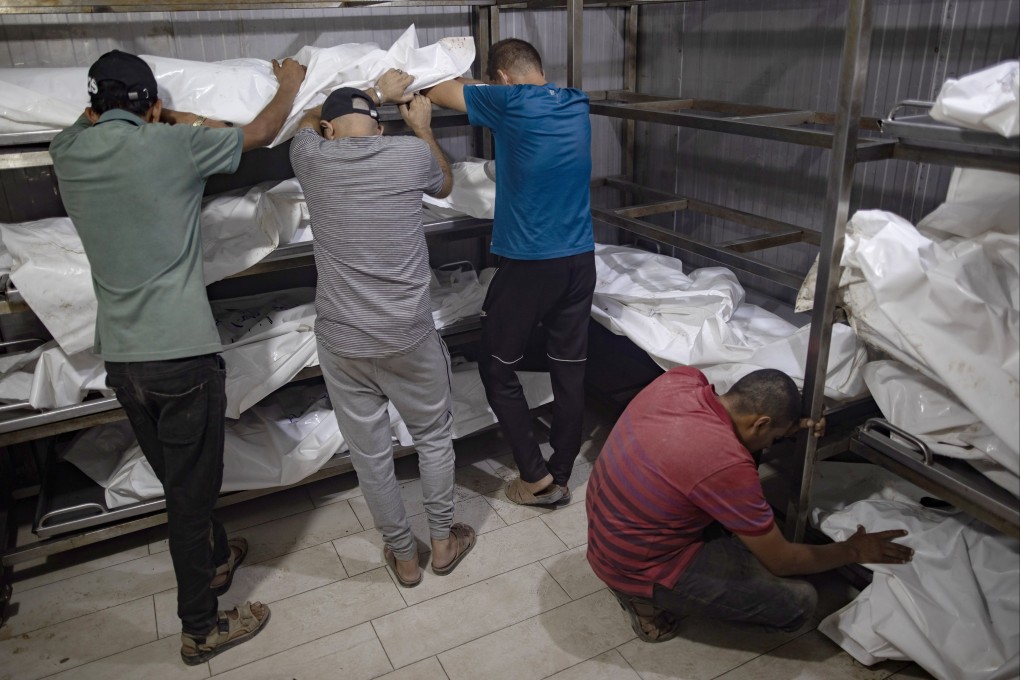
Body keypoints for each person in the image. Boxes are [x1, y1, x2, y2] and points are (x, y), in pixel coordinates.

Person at [47, 49, 309, 665]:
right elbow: (265, 131)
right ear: (154, 107)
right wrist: (291, 80)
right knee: (189, 500)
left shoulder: (68, 153)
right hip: (183, 357)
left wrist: (130, 114)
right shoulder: (176, 148)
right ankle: (201, 628)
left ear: (93, 107)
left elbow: (84, 124)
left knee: (179, 481)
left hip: (126, 363)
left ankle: (215, 561)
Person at [289, 86, 476, 589]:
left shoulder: (311, 157)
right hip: (407, 336)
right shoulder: (409, 152)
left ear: (331, 130)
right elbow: (442, 183)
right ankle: (442, 542)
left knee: (371, 456)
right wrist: (419, 125)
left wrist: (361, 93)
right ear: (379, 125)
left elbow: (306, 117)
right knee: (434, 438)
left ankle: (404, 558)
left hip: (344, 341)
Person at [585, 367, 914, 642]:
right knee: (798, 602)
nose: (774, 444)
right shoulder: (725, 463)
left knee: (744, 495)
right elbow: (783, 562)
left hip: (610, 529)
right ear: (761, 422)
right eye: (774, 437)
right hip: (636, 563)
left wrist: (791, 423)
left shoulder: (680, 380)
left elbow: (748, 432)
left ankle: (640, 576)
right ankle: (639, 597)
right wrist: (853, 551)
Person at [426, 39, 595, 508]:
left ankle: (535, 478)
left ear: (501, 78)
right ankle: (561, 472)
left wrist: (469, 84)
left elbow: (440, 91)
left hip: (531, 264)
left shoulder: (509, 101)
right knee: (569, 370)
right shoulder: (576, 102)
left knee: (497, 365)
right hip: (580, 259)